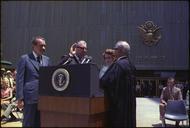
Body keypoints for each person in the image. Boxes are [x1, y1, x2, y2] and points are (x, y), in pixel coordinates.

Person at [16, 36, 51, 127]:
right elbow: (20, 79)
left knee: (40, 122)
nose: (43, 48)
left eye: (44, 46)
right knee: (29, 122)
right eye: (41, 46)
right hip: (30, 97)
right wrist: (20, 98)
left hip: (43, 97)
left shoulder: (47, 60)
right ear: (34, 46)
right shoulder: (25, 59)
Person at [100, 41, 136, 127]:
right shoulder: (131, 65)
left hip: (119, 106)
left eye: (115, 49)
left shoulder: (117, 65)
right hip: (130, 104)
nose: (114, 51)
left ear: (120, 50)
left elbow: (105, 81)